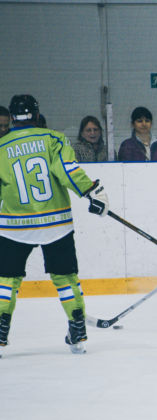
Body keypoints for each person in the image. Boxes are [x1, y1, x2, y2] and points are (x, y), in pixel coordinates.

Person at [0, 94, 110, 356]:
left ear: (12, 118)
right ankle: (78, 329)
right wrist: (91, 192)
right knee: (65, 279)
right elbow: (67, 170)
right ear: (37, 115)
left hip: (15, 226)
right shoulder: (54, 139)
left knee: (6, 281)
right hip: (56, 223)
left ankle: (1, 331)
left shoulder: (1, 147)